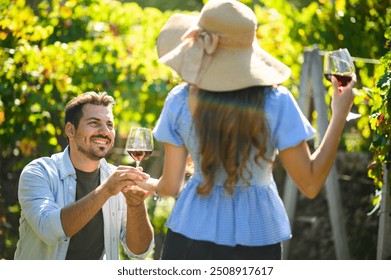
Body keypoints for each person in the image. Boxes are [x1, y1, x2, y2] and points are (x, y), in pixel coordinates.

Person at [138, 0, 356, 260]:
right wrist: (339, 115)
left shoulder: (179, 99)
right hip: (258, 236)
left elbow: (171, 186)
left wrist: (150, 184)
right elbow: (310, 183)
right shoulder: (277, 101)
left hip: (189, 236)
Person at [14, 91, 154, 260]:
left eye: (109, 125)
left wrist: (136, 205)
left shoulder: (114, 179)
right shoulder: (39, 172)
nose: (104, 131)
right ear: (70, 130)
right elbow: (49, 230)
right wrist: (106, 191)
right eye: (94, 123)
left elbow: (139, 252)